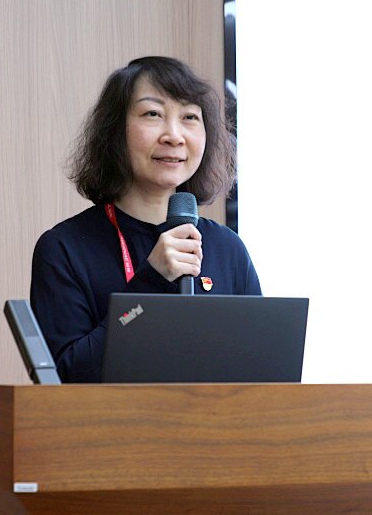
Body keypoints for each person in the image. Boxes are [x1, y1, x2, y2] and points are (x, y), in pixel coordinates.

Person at [31, 56, 261, 383]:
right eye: (153, 114)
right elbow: (67, 378)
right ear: (115, 131)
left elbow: (262, 377)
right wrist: (152, 282)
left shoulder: (227, 248)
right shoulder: (65, 249)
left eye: (190, 117)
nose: (174, 136)